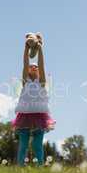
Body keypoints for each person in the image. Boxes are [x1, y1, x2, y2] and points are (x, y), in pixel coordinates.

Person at [11, 37, 56, 166]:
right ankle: (20, 166)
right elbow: (25, 63)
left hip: (40, 116)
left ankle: (40, 166)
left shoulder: (42, 83)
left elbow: (41, 64)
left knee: (37, 144)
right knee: (23, 144)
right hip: (24, 116)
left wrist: (40, 48)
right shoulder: (25, 82)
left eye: (35, 67)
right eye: (31, 67)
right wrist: (26, 49)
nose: (34, 67)